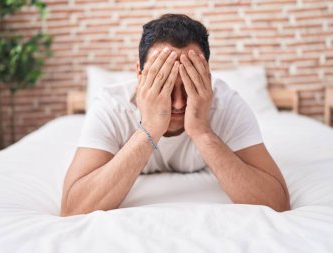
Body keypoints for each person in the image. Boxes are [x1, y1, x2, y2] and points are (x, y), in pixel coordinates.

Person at [60, 14, 290, 216]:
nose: (178, 103)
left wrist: (201, 132)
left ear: (206, 76)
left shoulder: (226, 104)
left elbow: (277, 203)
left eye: (190, 82)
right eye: (165, 84)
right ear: (140, 74)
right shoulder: (112, 107)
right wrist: (149, 128)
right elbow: (73, 209)